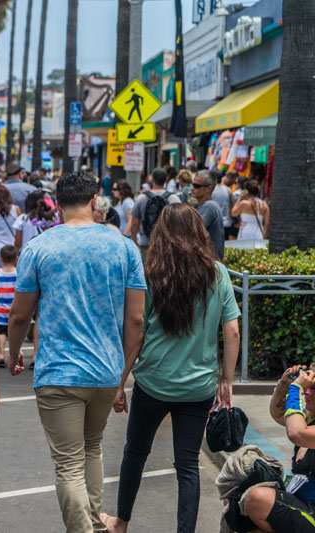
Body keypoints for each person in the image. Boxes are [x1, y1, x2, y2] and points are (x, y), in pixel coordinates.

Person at [7, 172, 146, 533]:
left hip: (59, 371)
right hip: (105, 371)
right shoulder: (124, 247)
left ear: (58, 202)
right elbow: (136, 319)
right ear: (95, 199)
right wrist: (123, 371)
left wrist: (12, 351)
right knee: (91, 448)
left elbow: (20, 313)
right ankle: (96, 526)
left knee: (68, 464)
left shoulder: (40, 247)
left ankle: (84, 530)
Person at [102, 203, 240, 533]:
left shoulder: (150, 274)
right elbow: (232, 330)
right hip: (199, 387)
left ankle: (120, 522)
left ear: (162, 234)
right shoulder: (217, 274)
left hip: (153, 382)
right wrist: (227, 379)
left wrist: (120, 382)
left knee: (135, 452)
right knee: (188, 465)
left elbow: (136, 329)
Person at [246, 366, 315, 532]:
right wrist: (284, 384)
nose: (307, 392)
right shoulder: (310, 418)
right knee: (242, 514)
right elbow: (279, 413)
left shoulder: (305, 428)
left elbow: (296, 433)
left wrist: (296, 388)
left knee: (257, 499)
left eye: (313, 388)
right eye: (307, 387)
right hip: (302, 503)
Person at [130, 167, 181, 253]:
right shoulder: (174, 198)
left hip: (146, 244)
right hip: (168, 246)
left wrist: (135, 243)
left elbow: (134, 224)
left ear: (152, 179)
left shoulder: (141, 198)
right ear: (166, 180)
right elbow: (179, 223)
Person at [0, 244, 19, 368]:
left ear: (1, 258)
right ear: (16, 258)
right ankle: (16, 353)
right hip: (14, 308)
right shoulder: (18, 273)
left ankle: (1, 354)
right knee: (15, 332)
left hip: (0, 309)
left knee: (1, 332)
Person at [189, 171, 225, 259]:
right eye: (192, 184)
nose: (192, 188)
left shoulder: (210, 206)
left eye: (197, 186)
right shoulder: (204, 205)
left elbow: (192, 231)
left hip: (208, 262)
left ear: (209, 188)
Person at [213, 171, 237, 240]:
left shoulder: (209, 190)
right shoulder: (228, 190)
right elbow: (232, 207)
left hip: (214, 224)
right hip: (226, 224)